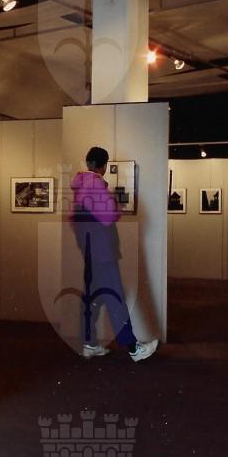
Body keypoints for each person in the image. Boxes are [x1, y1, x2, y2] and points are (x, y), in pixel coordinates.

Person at [69, 146, 159, 362]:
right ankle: (134, 348)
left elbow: (74, 221)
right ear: (104, 165)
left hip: (90, 251)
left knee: (92, 298)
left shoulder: (79, 185)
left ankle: (90, 344)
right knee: (115, 298)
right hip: (102, 252)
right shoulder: (95, 183)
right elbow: (110, 215)